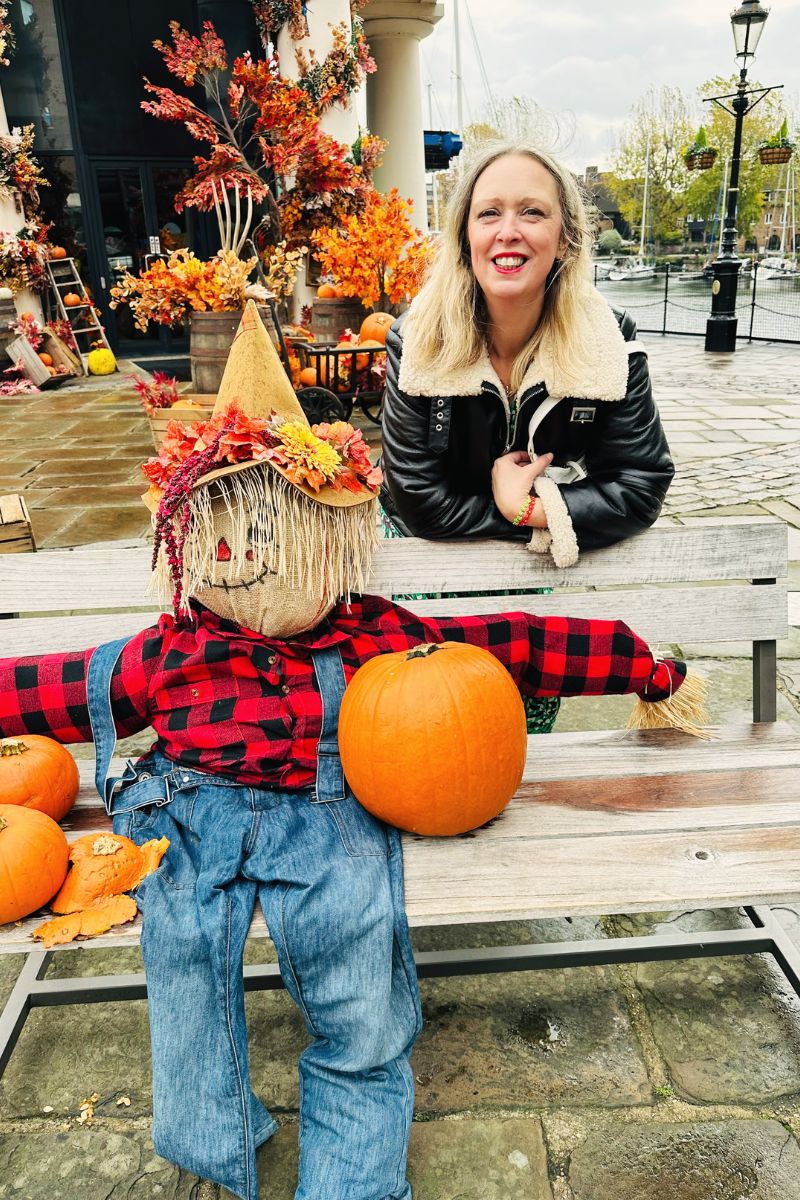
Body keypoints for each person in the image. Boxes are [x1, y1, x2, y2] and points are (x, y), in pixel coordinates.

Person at [0, 307, 701, 1200]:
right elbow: (60, 685)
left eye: (267, 531)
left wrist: (643, 668)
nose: (239, 559)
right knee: (183, 976)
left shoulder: (374, 634)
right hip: (193, 820)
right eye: (216, 536)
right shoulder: (171, 647)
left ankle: (353, 1183)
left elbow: (510, 640)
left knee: (360, 1001)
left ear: (327, 536)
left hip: (332, 824)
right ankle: (213, 1138)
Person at [380, 141, 674, 734]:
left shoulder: (607, 341)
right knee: (427, 725)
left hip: (535, 560)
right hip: (424, 562)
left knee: (513, 735)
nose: (508, 231)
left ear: (565, 237)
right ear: (465, 235)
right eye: (489, 213)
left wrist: (533, 508)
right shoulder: (418, 338)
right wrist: (519, 515)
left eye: (532, 212)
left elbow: (642, 483)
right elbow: (414, 496)